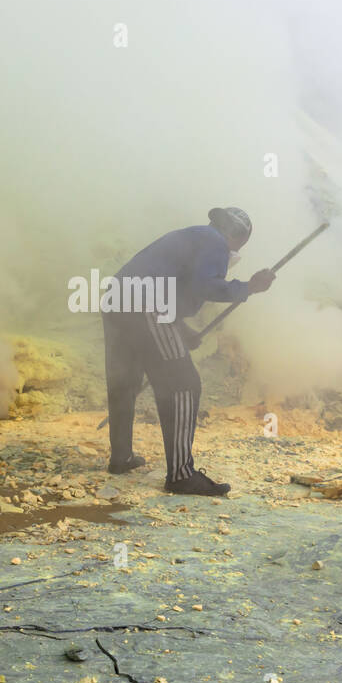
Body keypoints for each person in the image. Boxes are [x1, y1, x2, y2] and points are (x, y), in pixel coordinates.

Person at [102, 207, 275, 495]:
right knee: (183, 384)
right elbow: (204, 286)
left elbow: (173, 286)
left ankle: (121, 457)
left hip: (117, 299)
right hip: (147, 305)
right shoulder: (215, 242)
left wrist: (181, 330)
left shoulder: (191, 236)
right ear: (239, 238)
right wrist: (249, 287)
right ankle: (181, 475)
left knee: (124, 381)